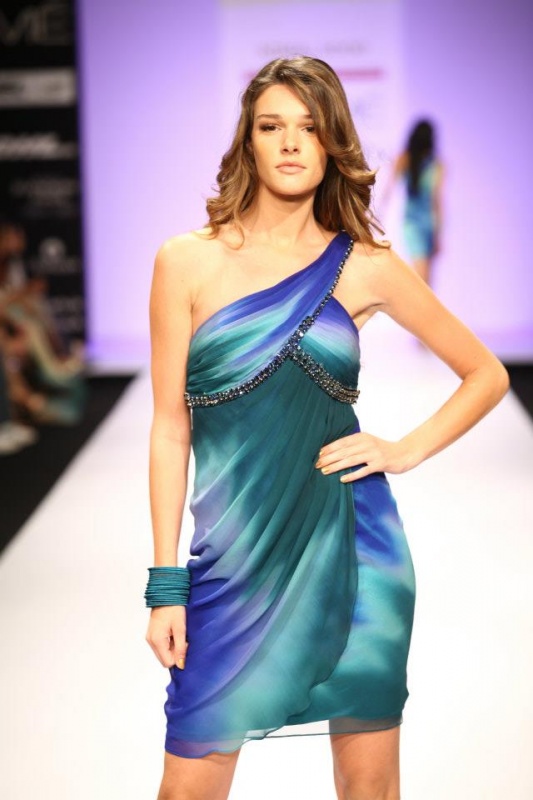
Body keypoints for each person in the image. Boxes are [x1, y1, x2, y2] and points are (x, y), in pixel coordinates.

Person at [146, 56, 508, 800]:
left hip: (355, 551)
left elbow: (486, 373)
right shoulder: (186, 262)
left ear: (332, 141)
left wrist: (402, 449)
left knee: (368, 789)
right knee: (187, 787)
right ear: (247, 141)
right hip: (231, 564)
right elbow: (169, 430)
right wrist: (164, 585)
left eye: (308, 128)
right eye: (270, 126)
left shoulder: (366, 265)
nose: (289, 142)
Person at [389, 119, 443, 285]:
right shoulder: (435, 165)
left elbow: (387, 190)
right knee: (423, 278)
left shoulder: (405, 159)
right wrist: (438, 234)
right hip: (422, 224)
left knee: (424, 277)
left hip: (416, 222)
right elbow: (437, 202)